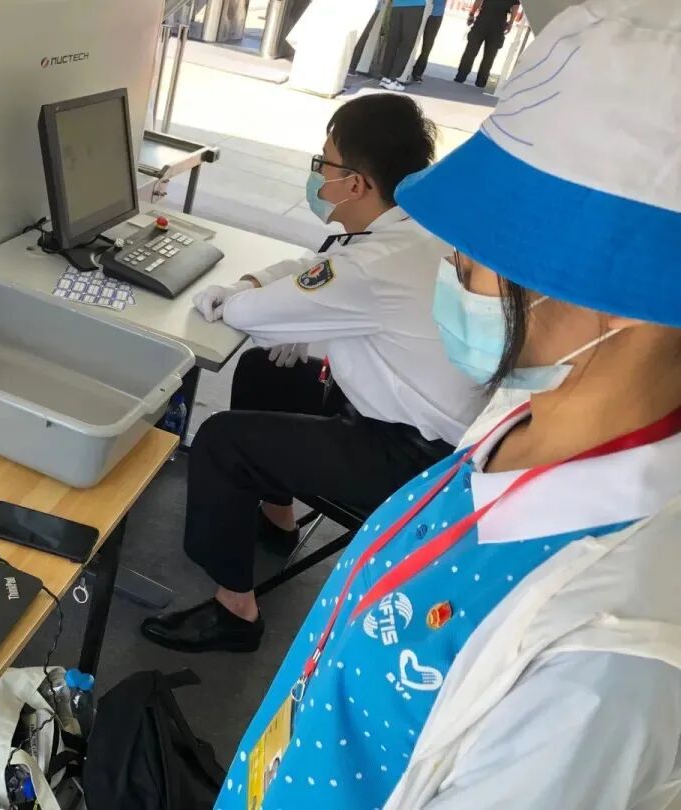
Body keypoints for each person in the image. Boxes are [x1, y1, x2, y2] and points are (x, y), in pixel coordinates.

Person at [214, 2, 681, 808]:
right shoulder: (525, 424)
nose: (458, 256)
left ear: (623, 291)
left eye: (492, 240)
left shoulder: (602, 669)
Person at [140, 94, 485, 654]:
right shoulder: (408, 229)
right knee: (263, 370)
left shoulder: (376, 263)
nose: (317, 175)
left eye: (324, 163)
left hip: (415, 461)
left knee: (222, 442)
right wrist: (256, 284)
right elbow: (315, 268)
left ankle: (235, 613)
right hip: (417, 424)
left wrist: (233, 296)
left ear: (355, 184)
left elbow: (254, 313)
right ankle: (277, 520)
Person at [455, 0, 520, 88]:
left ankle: (461, 76)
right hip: (498, 24)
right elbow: (515, 7)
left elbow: (478, 1)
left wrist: (472, 14)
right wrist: (510, 23)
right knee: (490, 55)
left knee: (471, 51)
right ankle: (481, 81)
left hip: (483, 20)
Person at [380, 0, 428, 91]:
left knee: (392, 41)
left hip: (397, 5)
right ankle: (392, 79)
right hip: (415, 5)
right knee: (407, 44)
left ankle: (385, 77)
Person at [411, 1, 446, 82]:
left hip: (435, 15)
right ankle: (402, 69)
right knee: (409, 39)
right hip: (419, 9)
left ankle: (417, 72)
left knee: (427, 45)